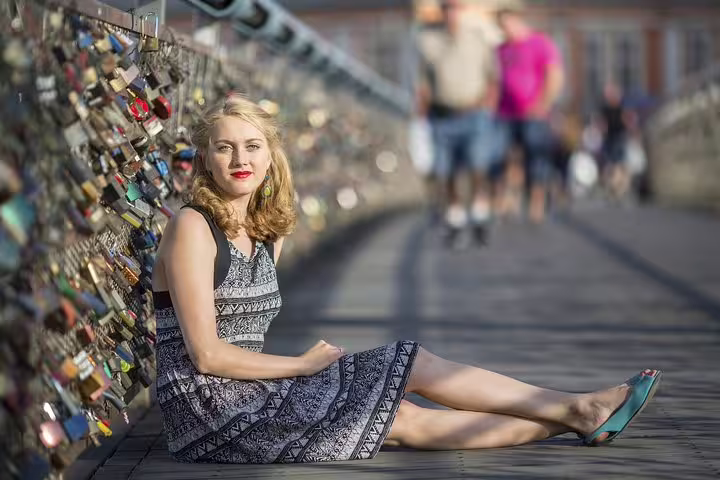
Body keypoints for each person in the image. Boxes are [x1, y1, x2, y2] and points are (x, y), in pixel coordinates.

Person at [150, 94, 661, 464]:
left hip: (257, 389)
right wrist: (302, 366)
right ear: (205, 159)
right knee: (396, 419)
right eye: (224, 148)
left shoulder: (267, 231)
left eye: (252, 146)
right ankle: (579, 414)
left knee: (408, 360)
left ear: (271, 155)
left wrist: (297, 372)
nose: (240, 160)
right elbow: (208, 356)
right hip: (209, 410)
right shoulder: (193, 227)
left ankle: (579, 412)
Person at [415, 0, 500, 246]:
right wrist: (421, 112)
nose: (451, 13)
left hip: (475, 113)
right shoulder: (427, 40)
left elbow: (492, 76)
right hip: (443, 115)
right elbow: (423, 83)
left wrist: (488, 106)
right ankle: (456, 217)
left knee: (477, 167)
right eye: (447, 8)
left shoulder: (478, 38)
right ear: (442, 11)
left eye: (455, 7)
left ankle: (480, 214)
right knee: (446, 170)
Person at [495, 4, 564, 223]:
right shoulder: (501, 49)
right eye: (501, 26)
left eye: (506, 24)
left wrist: (543, 104)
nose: (504, 30)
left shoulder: (539, 43)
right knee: (508, 159)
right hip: (505, 114)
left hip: (534, 114)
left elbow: (555, 75)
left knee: (536, 160)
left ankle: (536, 203)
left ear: (518, 20)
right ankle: (510, 199)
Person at [599, 82, 635, 200]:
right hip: (611, 137)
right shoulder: (607, 108)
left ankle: (618, 189)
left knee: (618, 164)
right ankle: (616, 189)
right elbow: (602, 124)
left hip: (618, 136)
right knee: (614, 164)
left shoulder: (621, 107)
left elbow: (628, 121)